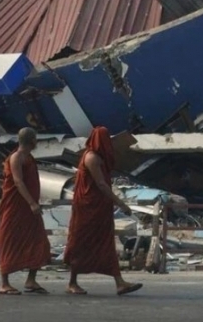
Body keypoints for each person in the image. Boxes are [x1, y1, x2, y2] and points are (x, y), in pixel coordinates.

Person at [64, 126, 143, 296]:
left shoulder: (99, 158)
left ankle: (120, 283)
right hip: (88, 209)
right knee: (81, 244)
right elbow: (101, 184)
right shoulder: (91, 157)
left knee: (106, 243)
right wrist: (121, 203)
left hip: (99, 208)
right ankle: (72, 283)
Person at [0, 127, 52, 295]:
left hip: (29, 208)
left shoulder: (29, 157)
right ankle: (4, 283)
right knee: (9, 240)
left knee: (39, 240)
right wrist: (32, 203)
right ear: (32, 141)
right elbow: (18, 182)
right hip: (16, 207)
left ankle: (31, 280)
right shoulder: (16, 157)